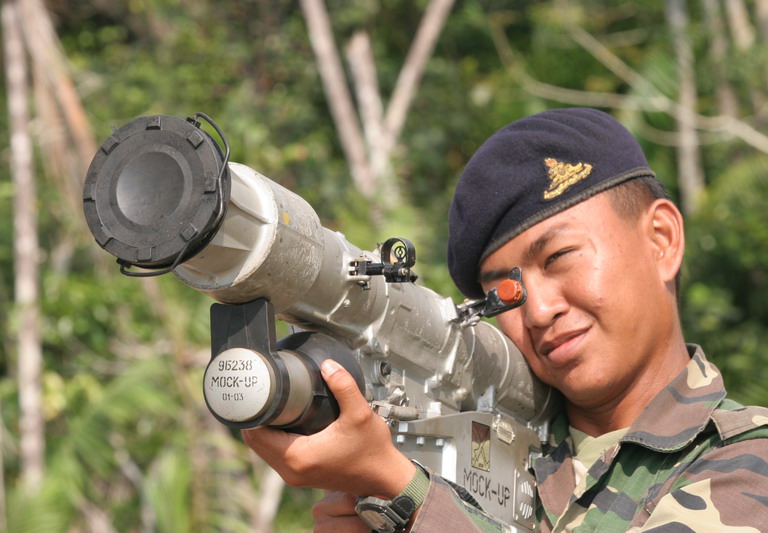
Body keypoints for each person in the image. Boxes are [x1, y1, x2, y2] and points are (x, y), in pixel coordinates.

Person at [241, 108, 768, 532]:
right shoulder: (482, 459)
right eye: (503, 295)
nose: (537, 312)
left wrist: (406, 496)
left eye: (559, 257)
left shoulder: (748, 462)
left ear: (662, 240)